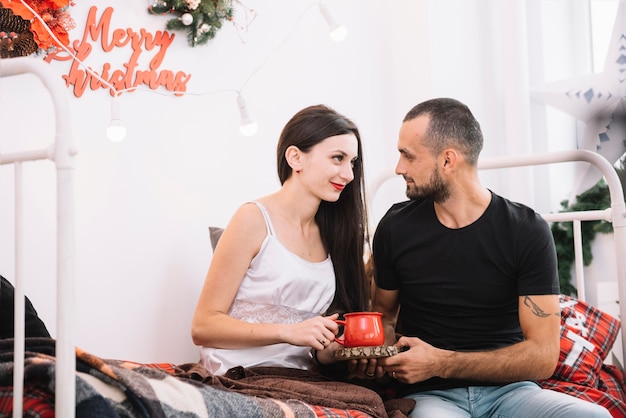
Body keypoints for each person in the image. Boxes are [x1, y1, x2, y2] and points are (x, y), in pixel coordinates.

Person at [365, 98, 611, 417]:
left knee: (594, 415)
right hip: (432, 396)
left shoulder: (525, 230)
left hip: (512, 392)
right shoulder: (395, 228)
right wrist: (378, 354)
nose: (399, 168)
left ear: (448, 160)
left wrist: (440, 362)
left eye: (408, 156)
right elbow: (383, 316)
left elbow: (543, 355)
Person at [191, 104, 370, 375]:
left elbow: (306, 347)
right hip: (242, 372)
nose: (349, 174)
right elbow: (203, 327)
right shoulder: (253, 219)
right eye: (337, 158)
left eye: (352, 162)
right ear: (296, 158)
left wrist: (329, 352)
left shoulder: (334, 235)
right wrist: (290, 332)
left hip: (300, 376)